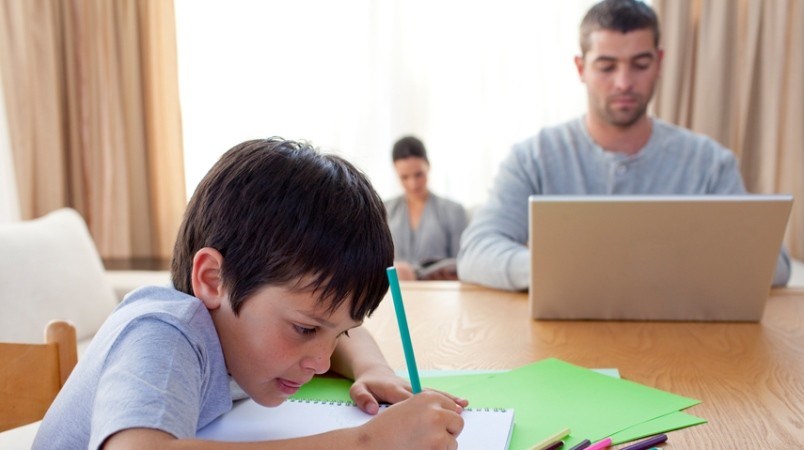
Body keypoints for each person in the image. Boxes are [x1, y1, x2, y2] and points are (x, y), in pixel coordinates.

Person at [33, 138, 467, 449]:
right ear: (213, 280)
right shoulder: (163, 334)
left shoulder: (241, 330)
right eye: (303, 329)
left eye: (335, 334)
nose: (319, 361)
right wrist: (369, 442)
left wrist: (373, 369)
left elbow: (340, 332)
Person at [457, 0, 791, 291]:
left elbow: (775, 264)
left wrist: (660, 270)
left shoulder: (709, 162)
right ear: (581, 68)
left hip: (683, 344)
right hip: (560, 344)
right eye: (606, 66)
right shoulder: (533, 157)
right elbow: (476, 251)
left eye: (640, 65)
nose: (624, 82)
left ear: (659, 63)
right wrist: (564, 271)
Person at [385, 136, 468, 280]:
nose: (413, 184)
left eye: (419, 175)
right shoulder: (384, 210)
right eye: (404, 177)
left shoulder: (454, 211)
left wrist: (416, 274)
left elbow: (463, 264)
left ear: (428, 166)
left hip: (440, 295)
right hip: (396, 295)